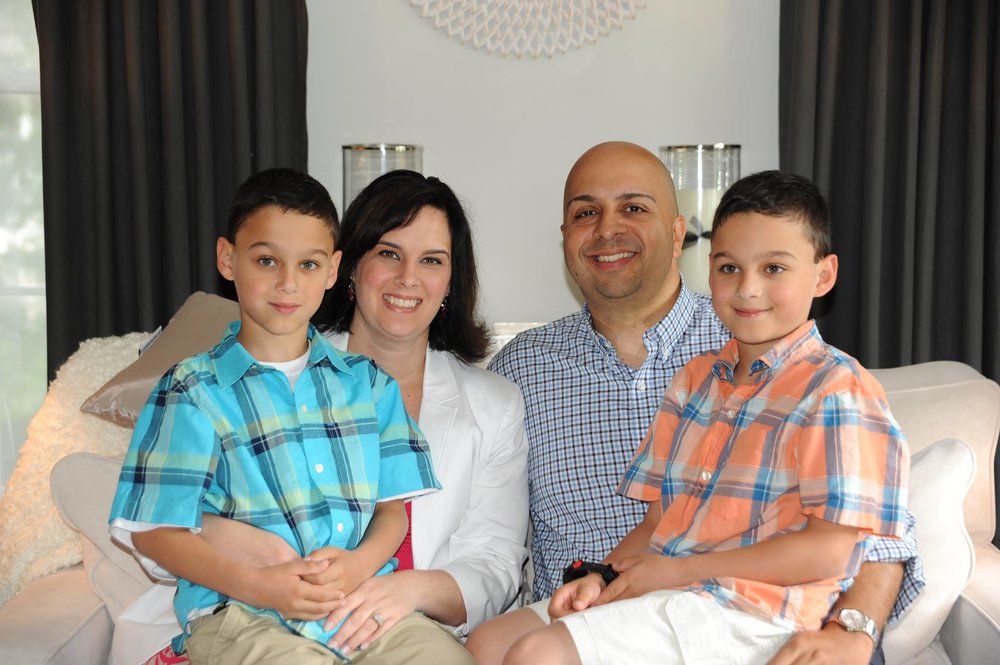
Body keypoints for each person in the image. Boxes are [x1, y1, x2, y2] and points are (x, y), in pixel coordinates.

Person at [468, 142, 922, 665]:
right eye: (586, 213)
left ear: (680, 233)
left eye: (634, 208)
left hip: (737, 608)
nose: (607, 229)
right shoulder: (686, 378)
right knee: (487, 644)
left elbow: (877, 532)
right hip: (647, 589)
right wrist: (598, 576)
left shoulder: (825, 379)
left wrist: (855, 632)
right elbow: (660, 521)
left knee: (538, 654)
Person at [110, 169, 529, 665]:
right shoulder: (196, 386)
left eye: (431, 260)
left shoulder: (380, 388)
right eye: (389, 254)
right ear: (349, 269)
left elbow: (482, 556)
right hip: (241, 614)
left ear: (327, 269)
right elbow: (157, 526)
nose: (408, 277)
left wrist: (373, 577)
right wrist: (252, 566)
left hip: (372, 617)